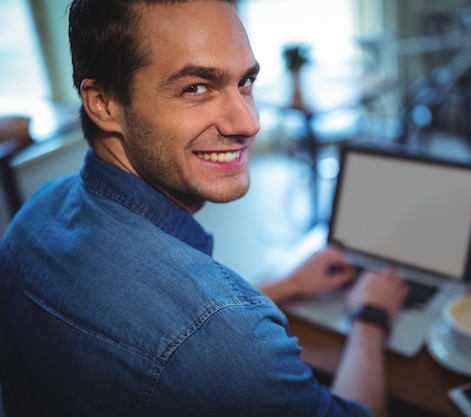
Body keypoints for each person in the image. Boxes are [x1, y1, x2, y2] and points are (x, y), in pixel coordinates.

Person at [0, 1, 409, 416]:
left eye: (245, 81)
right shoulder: (230, 339)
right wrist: (370, 317)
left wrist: (282, 287)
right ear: (103, 103)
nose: (248, 123)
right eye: (196, 87)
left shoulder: (36, 211)